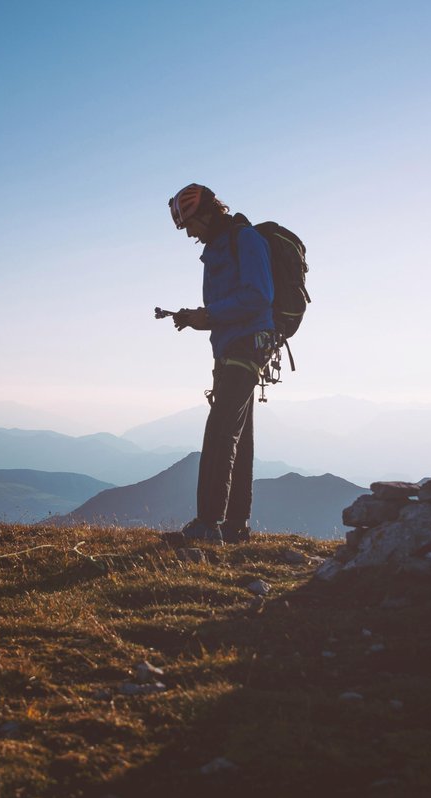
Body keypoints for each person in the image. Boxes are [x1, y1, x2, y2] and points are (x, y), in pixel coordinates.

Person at [166, 183, 274, 544]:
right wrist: (197, 317)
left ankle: (207, 524)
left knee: (219, 432)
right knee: (238, 438)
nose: (191, 234)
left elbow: (259, 296)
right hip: (232, 348)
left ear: (209, 213)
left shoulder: (245, 240)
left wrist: (208, 314)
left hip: (248, 346)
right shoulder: (218, 249)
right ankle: (236, 526)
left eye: (191, 224)